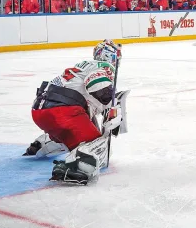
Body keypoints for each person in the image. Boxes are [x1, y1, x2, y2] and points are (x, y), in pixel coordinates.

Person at [24, 40, 129, 184]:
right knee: (99, 147)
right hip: (63, 111)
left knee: (76, 134)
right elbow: (96, 85)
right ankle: (76, 167)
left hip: (40, 112)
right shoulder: (103, 66)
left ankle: (43, 144)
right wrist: (112, 103)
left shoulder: (83, 66)